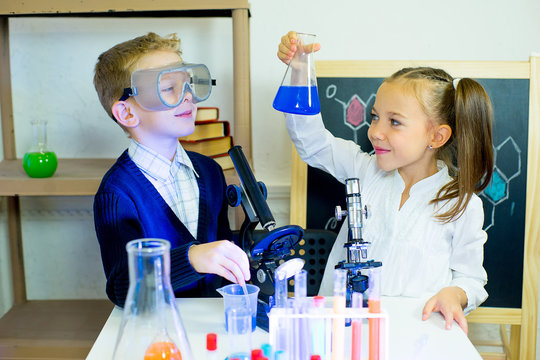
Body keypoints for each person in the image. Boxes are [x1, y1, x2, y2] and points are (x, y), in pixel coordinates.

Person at [277, 31, 493, 334]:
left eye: (394, 122)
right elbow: (311, 142)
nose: (375, 131)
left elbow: (471, 279)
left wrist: (454, 294)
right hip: (344, 331)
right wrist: (299, 71)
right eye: (375, 116)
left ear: (437, 136)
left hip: (415, 336)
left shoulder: (462, 204)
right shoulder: (365, 170)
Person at [93, 32, 250, 307]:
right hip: (157, 332)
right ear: (127, 113)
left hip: (212, 324)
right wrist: (191, 259)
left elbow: (222, 258)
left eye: (187, 85)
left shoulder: (210, 172)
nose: (188, 97)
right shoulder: (117, 194)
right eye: (168, 88)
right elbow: (121, 287)